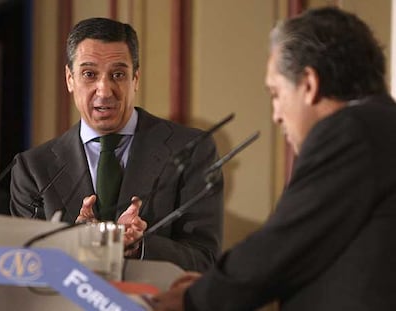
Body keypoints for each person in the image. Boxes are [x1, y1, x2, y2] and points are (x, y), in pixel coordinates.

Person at [152, 6, 396, 310]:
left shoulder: (351, 131)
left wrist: (193, 299)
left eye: (276, 94)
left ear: (308, 84)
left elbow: (286, 242)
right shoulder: (379, 126)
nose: (276, 115)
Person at [9, 17, 223, 271]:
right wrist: (75, 244)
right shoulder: (33, 168)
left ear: (135, 79)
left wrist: (140, 246)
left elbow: (205, 261)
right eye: (89, 74)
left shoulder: (192, 149)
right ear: (69, 79)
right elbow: (23, 268)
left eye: (118, 74)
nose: (104, 90)